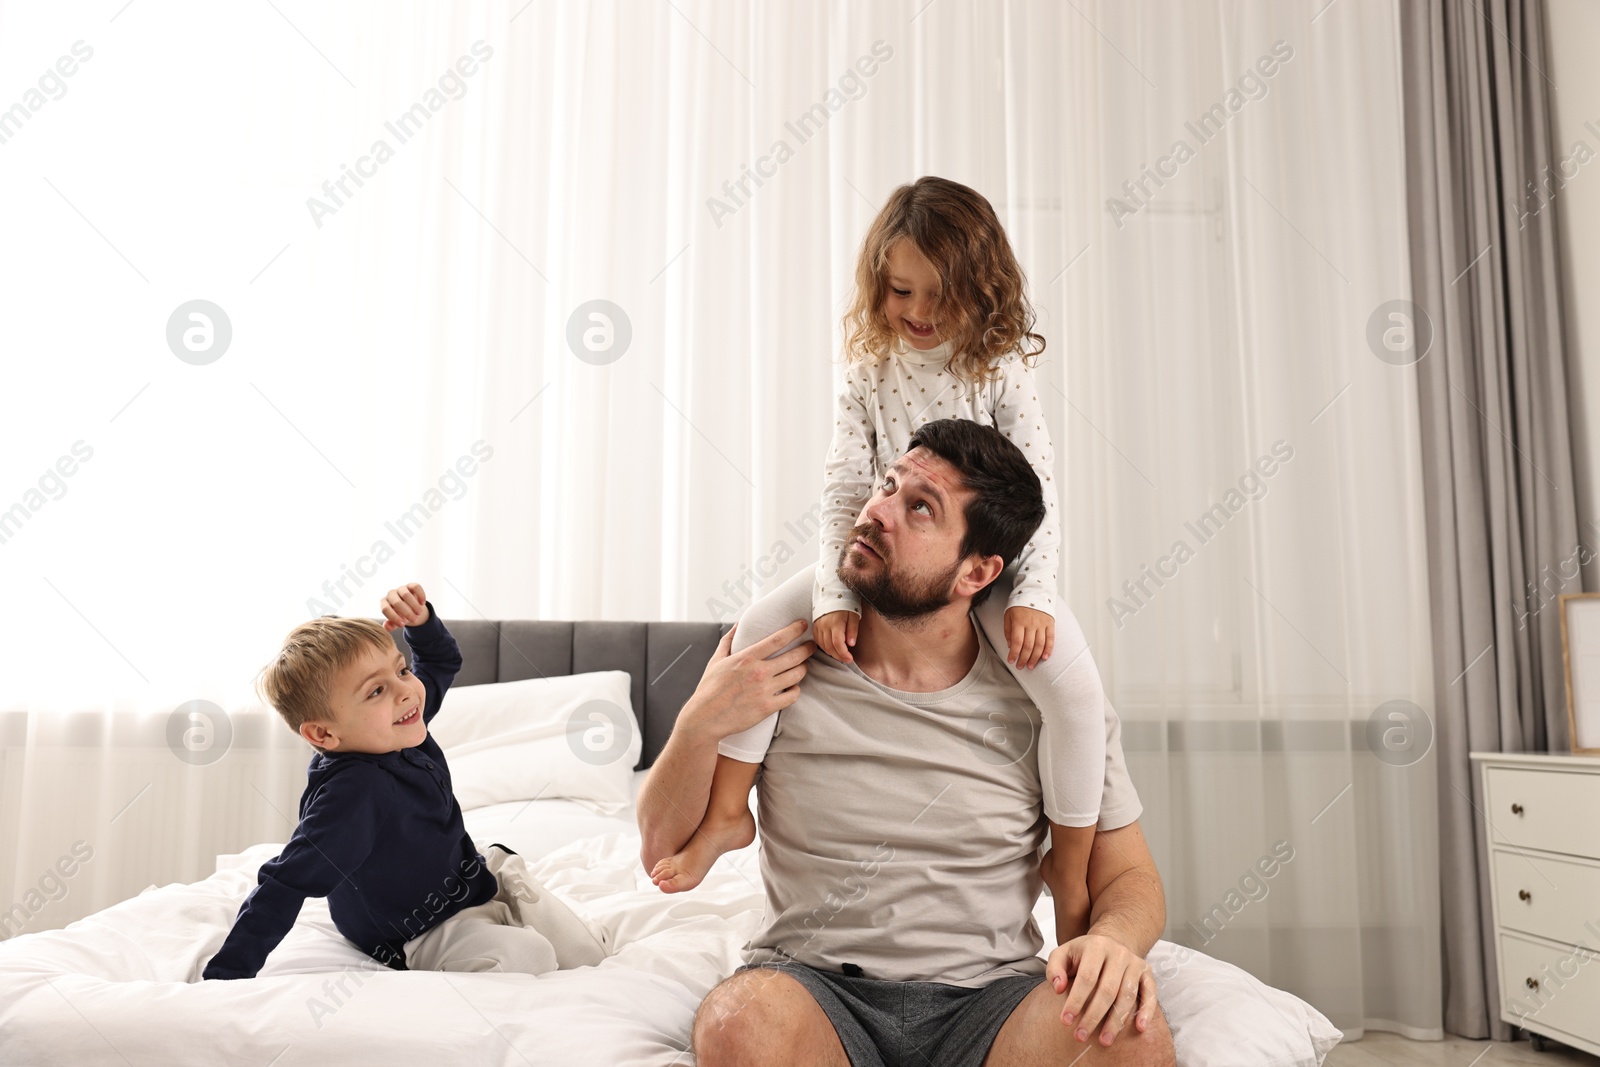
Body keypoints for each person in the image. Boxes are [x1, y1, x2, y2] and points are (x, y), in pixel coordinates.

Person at [649, 177, 1108, 953]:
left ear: (981, 293)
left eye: (942, 296)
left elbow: (1042, 491)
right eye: (901, 290)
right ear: (877, 284)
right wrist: (833, 591)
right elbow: (845, 487)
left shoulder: (998, 369)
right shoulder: (870, 370)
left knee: (1073, 686)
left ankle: (1068, 874)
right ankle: (730, 813)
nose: (920, 313)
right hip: (870, 558)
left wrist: (1033, 592)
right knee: (760, 624)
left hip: (977, 569)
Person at [639, 420, 1175, 1065]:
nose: (877, 511)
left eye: (919, 507)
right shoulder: (776, 665)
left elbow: (1130, 876)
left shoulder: (1052, 704)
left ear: (977, 571)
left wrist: (1114, 941)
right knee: (738, 1023)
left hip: (990, 999)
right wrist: (699, 719)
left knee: (1131, 1037)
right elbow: (660, 846)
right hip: (814, 988)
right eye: (888, 485)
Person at [202, 583, 607, 979]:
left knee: (588, 953)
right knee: (531, 955)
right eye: (376, 690)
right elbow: (286, 881)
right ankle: (489, 931)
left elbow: (442, 662)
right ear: (324, 735)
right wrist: (228, 973)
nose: (407, 692)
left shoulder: (394, 726)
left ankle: (503, 902)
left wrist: (421, 622)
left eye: (402, 669)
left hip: (467, 875)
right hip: (415, 928)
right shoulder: (352, 795)